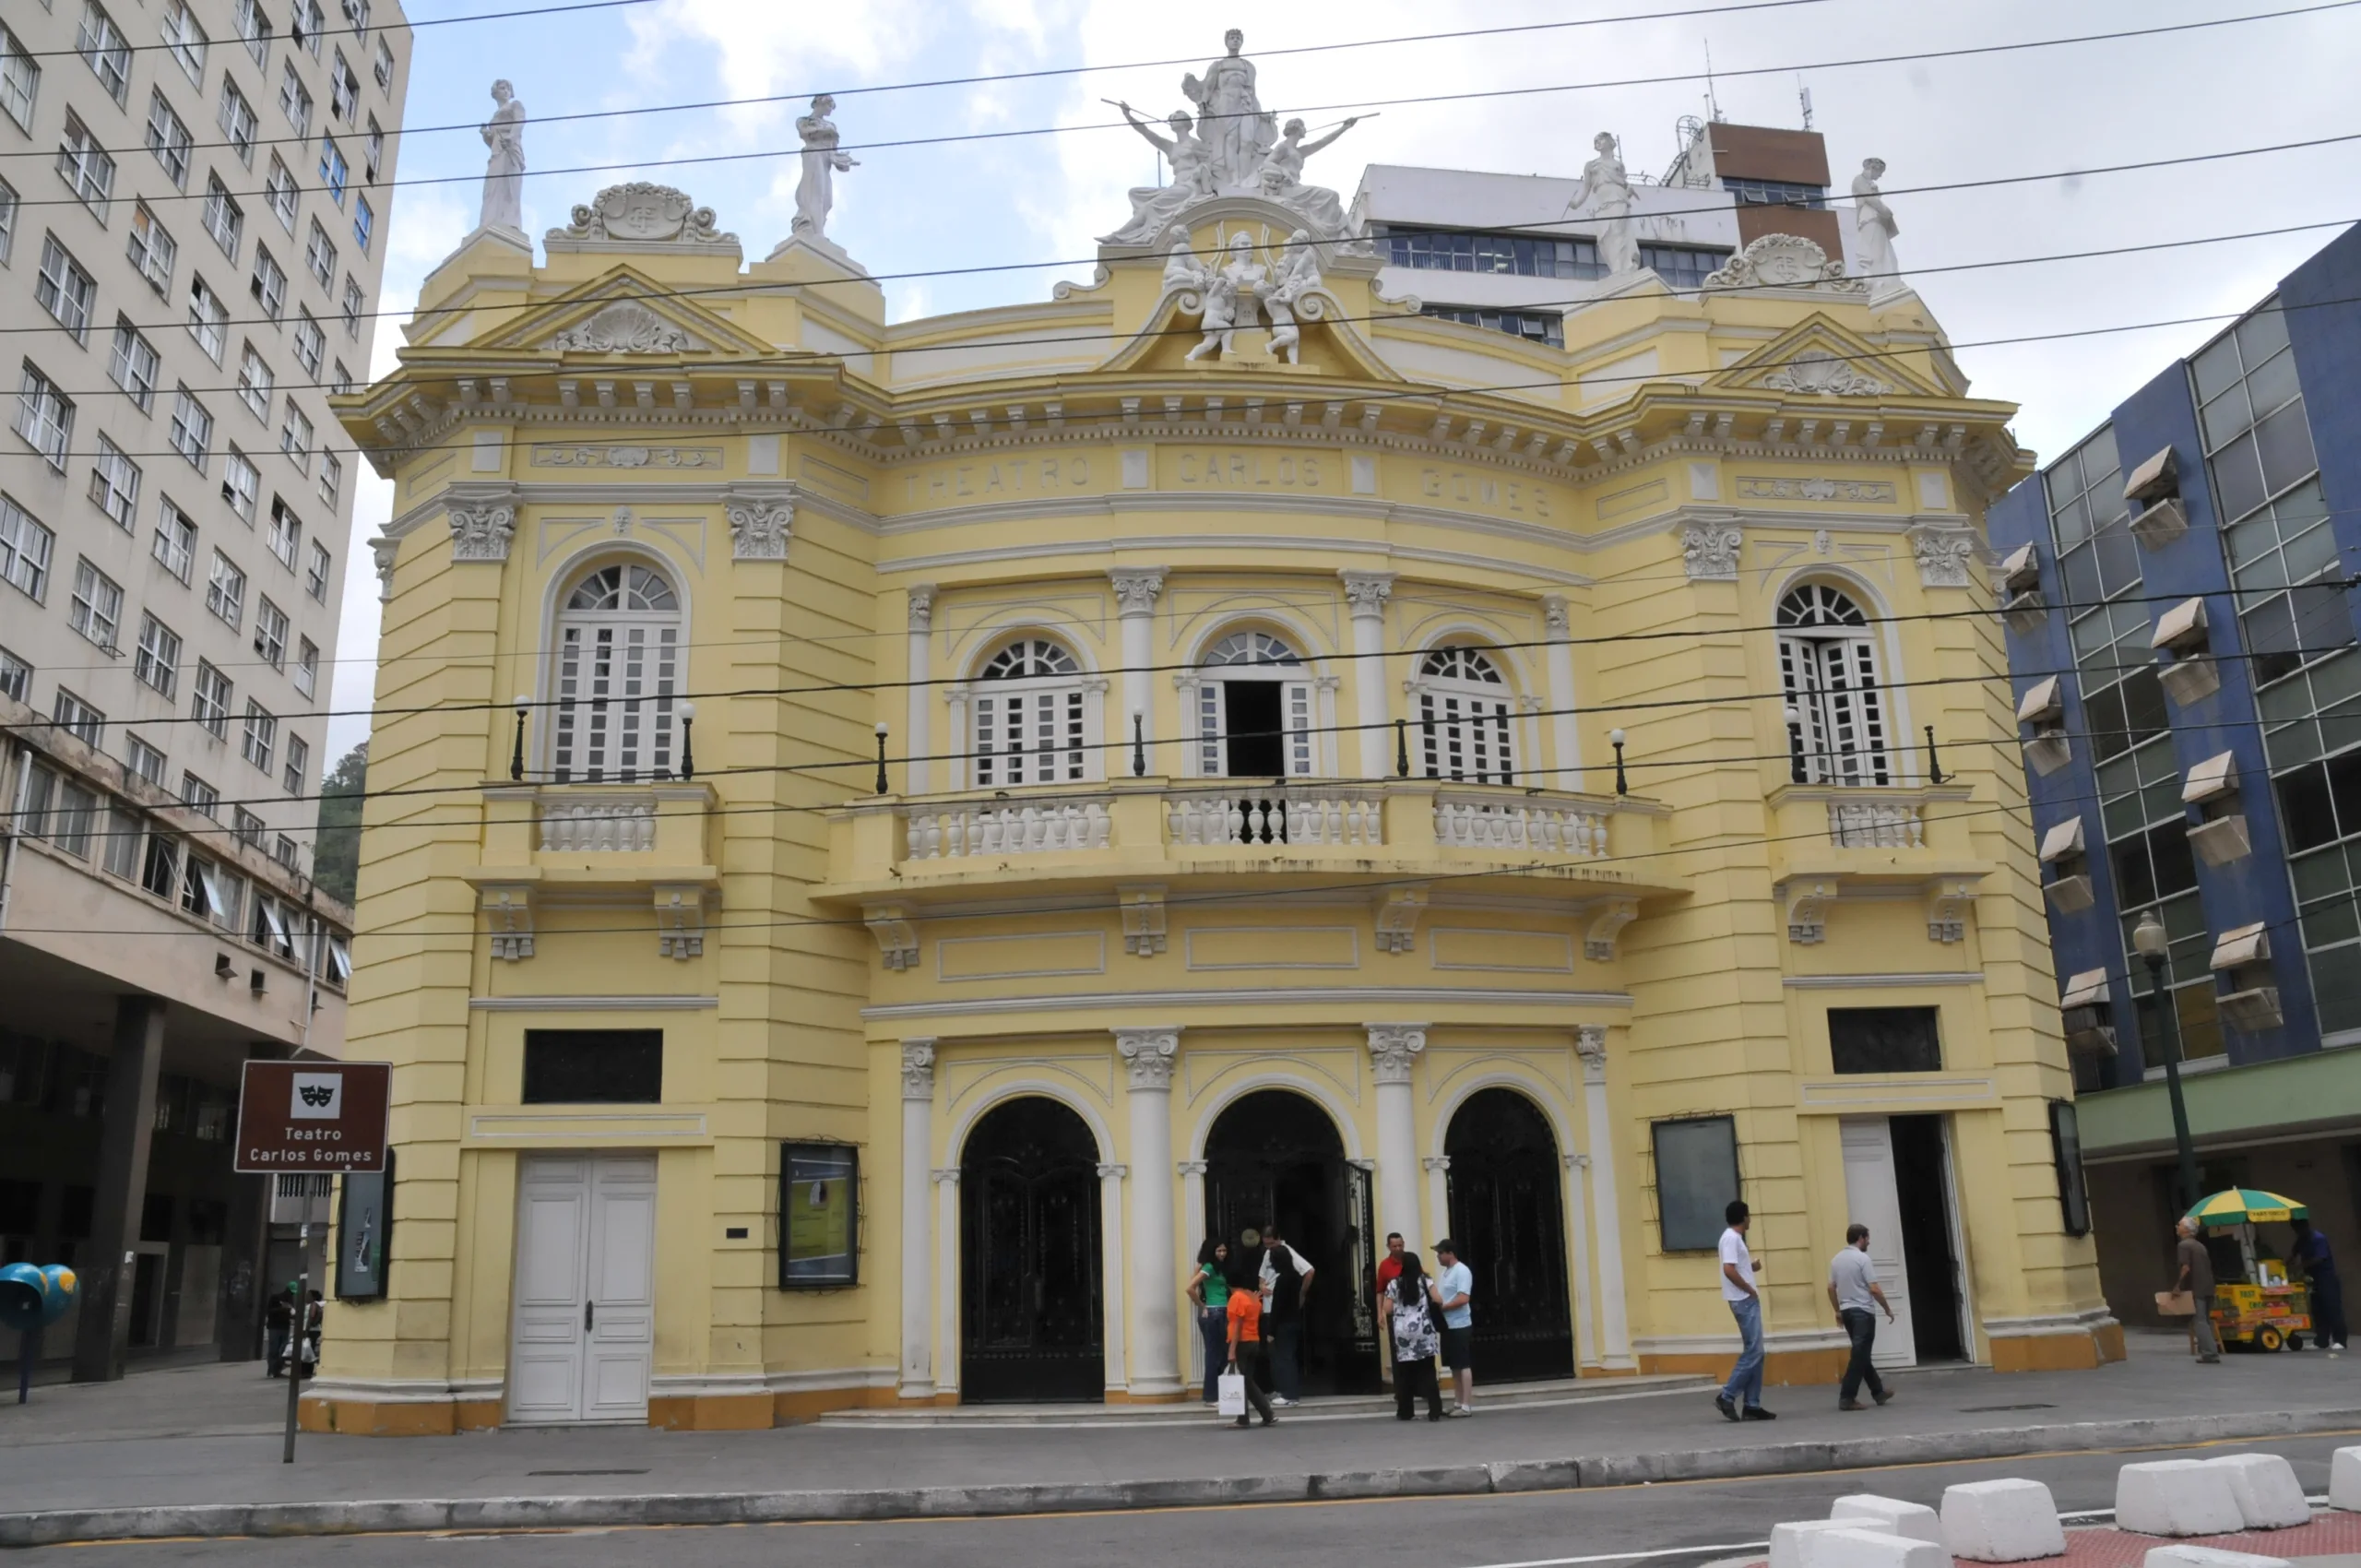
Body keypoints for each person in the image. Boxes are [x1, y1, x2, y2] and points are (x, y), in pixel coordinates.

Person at [1827, 1223, 1896, 1411]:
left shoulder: (1836, 1260)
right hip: (1863, 1313)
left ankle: (1878, 1392)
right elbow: (1874, 1288)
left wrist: (1838, 1311)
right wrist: (1887, 1309)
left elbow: (1831, 1288)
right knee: (1859, 1355)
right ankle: (1847, 1397)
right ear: (1861, 1238)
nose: (1869, 1241)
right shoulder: (1862, 1259)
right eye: (1867, 1238)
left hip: (1848, 1313)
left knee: (1861, 1353)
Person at [1715, 1200, 1774, 1421]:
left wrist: (1751, 1267)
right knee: (1754, 1351)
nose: (1750, 1219)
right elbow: (1729, 1269)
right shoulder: (1731, 1238)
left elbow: (1736, 1266)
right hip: (1743, 1299)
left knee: (1757, 1352)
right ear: (1744, 1217)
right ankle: (1727, 1395)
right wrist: (1749, 1289)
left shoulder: (1733, 1238)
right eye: (1749, 1216)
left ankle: (1752, 1404)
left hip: (1743, 1299)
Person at [1383, 1252, 1445, 1420]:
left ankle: (1405, 1411)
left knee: (1405, 1374)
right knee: (1428, 1372)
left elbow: (1387, 1309)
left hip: (1403, 1334)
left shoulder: (1394, 1284)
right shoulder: (1426, 1281)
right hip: (1424, 1332)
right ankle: (1434, 1410)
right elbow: (1438, 1299)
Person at [1260, 1221, 1314, 1407]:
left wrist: (1271, 1331)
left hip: (1281, 1320)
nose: (1268, 1250)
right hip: (1287, 1318)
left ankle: (1289, 1394)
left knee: (1285, 1356)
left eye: (1271, 1245)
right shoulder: (1289, 1277)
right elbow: (1261, 1277)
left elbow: (1309, 1271)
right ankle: (1283, 1389)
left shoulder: (1284, 1276)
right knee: (1280, 1356)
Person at [1225, 1265, 1275, 1428]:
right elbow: (1257, 1315)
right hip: (1254, 1340)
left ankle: (1242, 1419)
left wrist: (1232, 1350)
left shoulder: (1237, 1298)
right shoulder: (1253, 1298)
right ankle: (1267, 1414)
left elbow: (1238, 1324)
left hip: (1242, 1342)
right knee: (1247, 1381)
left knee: (1241, 1382)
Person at [2291, 1218, 2348, 1352]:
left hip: (2326, 1277)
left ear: (2306, 1226)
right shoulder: (2301, 1239)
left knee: (2332, 1308)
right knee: (2318, 1310)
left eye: (2299, 1229)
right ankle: (2321, 1341)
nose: (2298, 1232)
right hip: (2312, 1279)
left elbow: (2320, 1258)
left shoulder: (2318, 1238)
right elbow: (2294, 1252)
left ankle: (2340, 1340)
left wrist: (2299, 1267)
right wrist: (2287, 1263)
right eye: (2295, 1230)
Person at [477, 80, 526, 235]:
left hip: (510, 150)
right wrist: (486, 135)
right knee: (492, 187)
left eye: (506, 88)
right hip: (497, 153)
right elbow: (492, 142)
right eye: (501, 89)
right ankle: (490, 221)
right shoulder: (494, 116)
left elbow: (520, 122)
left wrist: (511, 137)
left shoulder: (515, 105)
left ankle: (511, 222)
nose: (504, 91)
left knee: (511, 187)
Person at [1433, 1237, 1475, 1417]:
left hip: (1459, 1324)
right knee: (1454, 1366)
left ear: (1450, 1253)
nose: (1438, 1257)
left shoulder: (1462, 1271)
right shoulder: (1445, 1273)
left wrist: (1443, 1307)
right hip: (1447, 1325)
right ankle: (1457, 1402)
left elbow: (1463, 1298)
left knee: (1463, 1364)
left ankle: (1466, 1405)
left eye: (1440, 1253)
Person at [1187, 1240, 1232, 1403]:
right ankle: (1211, 1396)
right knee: (1214, 1355)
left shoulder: (1218, 1267)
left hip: (1221, 1311)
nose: (1222, 1254)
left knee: (1220, 1354)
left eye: (1224, 1250)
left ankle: (1217, 1394)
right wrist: (1202, 1305)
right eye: (1219, 1251)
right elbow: (1190, 1288)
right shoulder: (1209, 1267)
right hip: (1215, 1312)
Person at [2175, 1217, 2222, 1364]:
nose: (2177, 1226)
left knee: (2200, 1321)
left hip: (2198, 1288)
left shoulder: (2184, 1245)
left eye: (2180, 1225)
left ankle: (2210, 1353)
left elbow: (2186, 1267)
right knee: (2205, 1320)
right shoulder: (2200, 1246)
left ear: (2186, 1230)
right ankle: (2208, 1350)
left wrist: (2178, 1286)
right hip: (2208, 1286)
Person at [1375, 1232, 1406, 1385]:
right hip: (1394, 1315)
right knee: (1396, 1351)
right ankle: (1400, 1388)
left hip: (1412, 1314)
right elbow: (1380, 1291)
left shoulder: (1411, 1261)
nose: (1398, 1249)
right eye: (1394, 1246)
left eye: (1400, 1245)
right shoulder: (1384, 1266)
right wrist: (1380, 1313)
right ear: (1388, 1247)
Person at [264, 1287, 294, 1378]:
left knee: (282, 1349)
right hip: (275, 1326)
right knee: (274, 1349)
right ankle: (273, 1370)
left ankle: (277, 1369)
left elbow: (291, 1313)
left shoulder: (290, 1301)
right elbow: (269, 1311)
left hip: (284, 1326)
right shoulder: (275, 1298)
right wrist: (282, 1309)